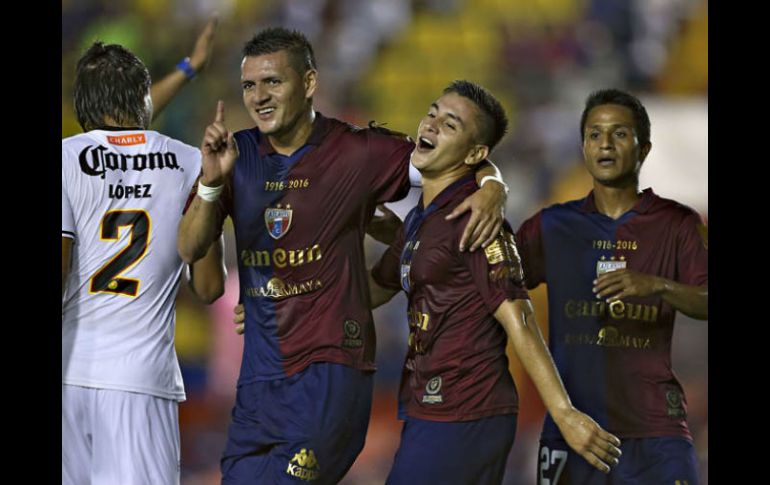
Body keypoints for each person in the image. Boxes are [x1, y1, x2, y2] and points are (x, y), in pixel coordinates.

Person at [176, 27, 509, 484]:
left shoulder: (359, 150)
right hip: (258, 382)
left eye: (273, 82)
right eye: (250, 85)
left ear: (309, 82)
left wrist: (493, 185)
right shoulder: (237, 155)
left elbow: (454, 157)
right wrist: (211, 182)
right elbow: (192, 253)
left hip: (329, 375)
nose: (259, 96)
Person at [365, 80, 621, 485]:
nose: (431, 125)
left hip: (467, 409)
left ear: (474, 153)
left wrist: (564, 412)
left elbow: (519, 315)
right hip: (430, 405)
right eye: (432, 113)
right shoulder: (422, 219)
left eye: (450, 124)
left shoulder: (476, 222)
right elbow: (374, 290)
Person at [514, 88, 708, 484]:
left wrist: (657, 285)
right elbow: (499, 302)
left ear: (644, 148)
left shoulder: (678, 224)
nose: (605, 145)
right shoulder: (550, 226)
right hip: (575, 428)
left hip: (657, 429)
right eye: (594, 135)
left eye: (619, 134)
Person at [61, 19, 220, 485]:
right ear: (144, 100)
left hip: (71, 374)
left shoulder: (65, 158)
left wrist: (189, 68)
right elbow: (209, 287)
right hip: (140, 378)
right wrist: (190, 69)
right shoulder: (192, 162)